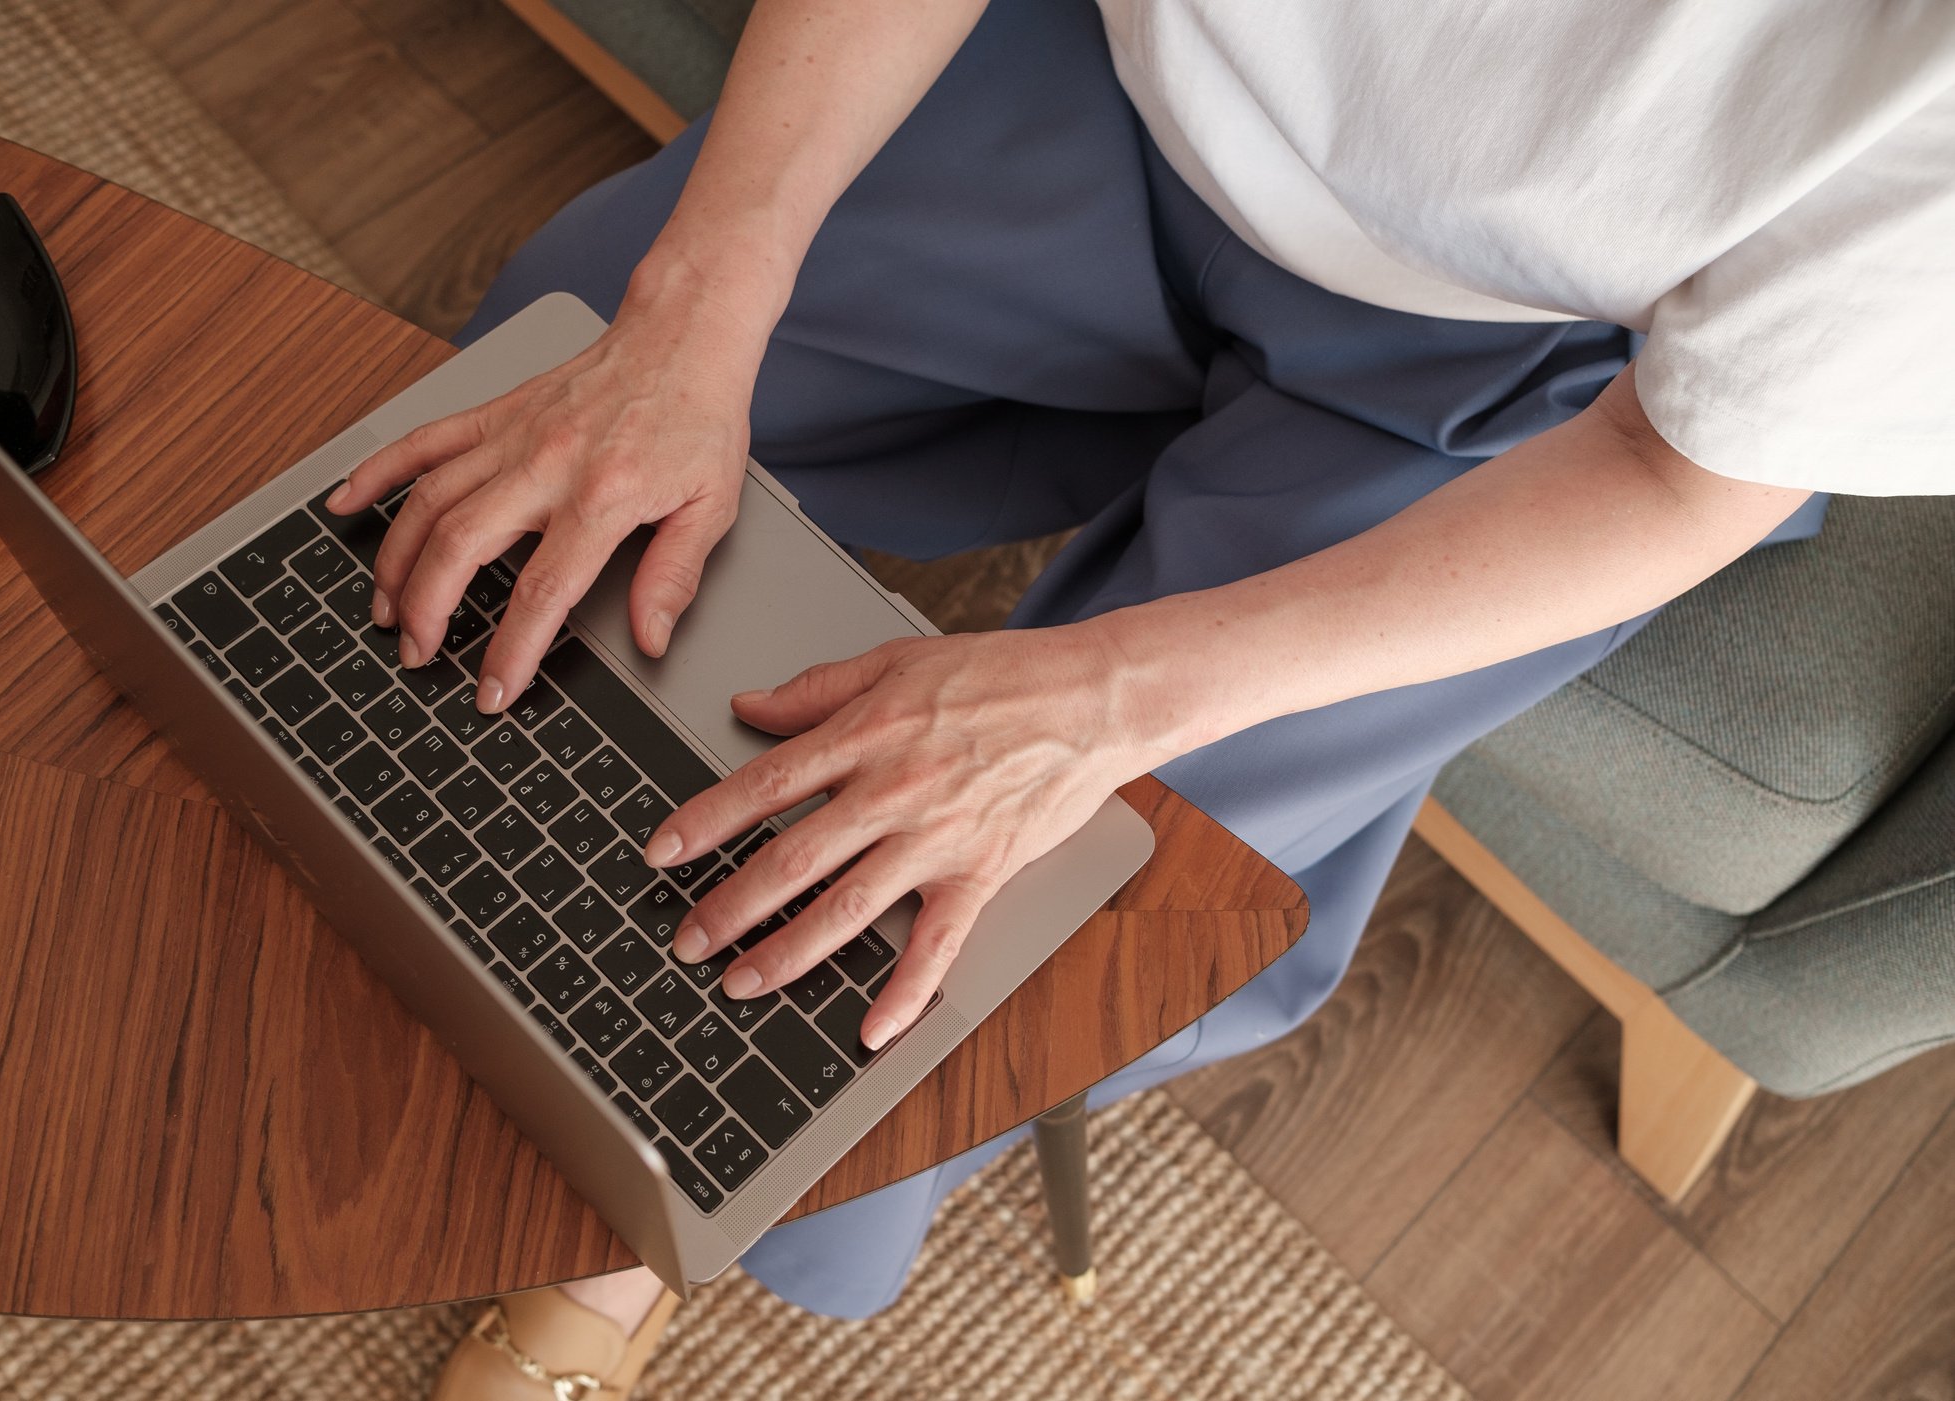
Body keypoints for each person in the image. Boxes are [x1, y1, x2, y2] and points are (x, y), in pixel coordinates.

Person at [321, 0, 1951, 1394]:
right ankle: (377, 851)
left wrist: (1092, 705)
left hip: (1552, 383)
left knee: (1006, 920)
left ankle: (626, 1232)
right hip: (1124, 68)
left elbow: (1678, 474)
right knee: (522, 455)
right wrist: (696, 307)